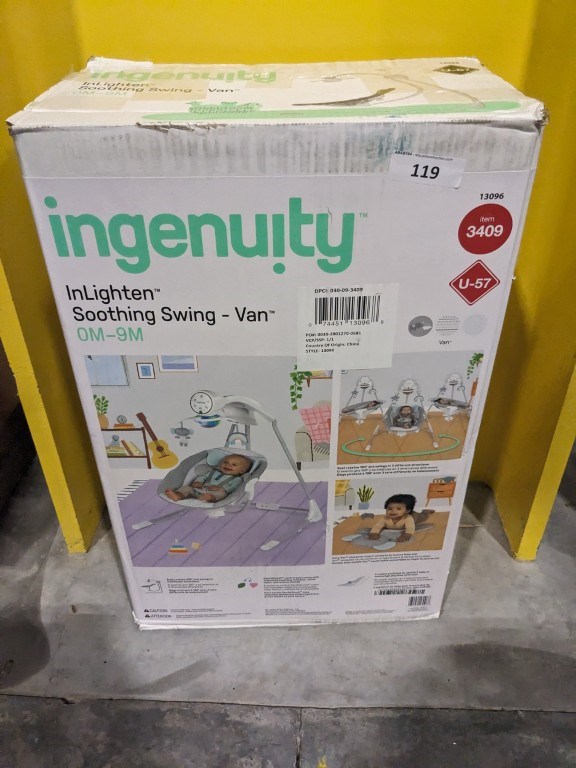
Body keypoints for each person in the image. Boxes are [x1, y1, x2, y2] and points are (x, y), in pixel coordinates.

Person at [165, 453, 252, 503]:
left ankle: (209, 498)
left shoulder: (237, 479)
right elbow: (202, 477)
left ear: (242, 471)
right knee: (186, 488)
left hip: (214, 493)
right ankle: (178, 496)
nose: (228, 465)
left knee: (222, 494)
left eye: (234, 464)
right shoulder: (213, 472)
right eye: (226, 462)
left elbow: (233, 488)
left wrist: (221, 489)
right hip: (199, 490)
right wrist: (198, 482)